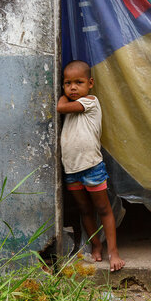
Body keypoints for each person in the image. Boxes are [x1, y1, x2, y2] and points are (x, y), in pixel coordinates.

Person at [58, 60, 125, 272]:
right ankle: (96, 245)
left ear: (90, 83)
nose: (73, 87)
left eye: (78, 82)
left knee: (103, 209)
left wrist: (63, 95)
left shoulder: (90, 102)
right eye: (67, 83)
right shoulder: (71, 105)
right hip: (71, 169)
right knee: (85, 210)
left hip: (92, 167)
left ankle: (113, 251)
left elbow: (60, 106)